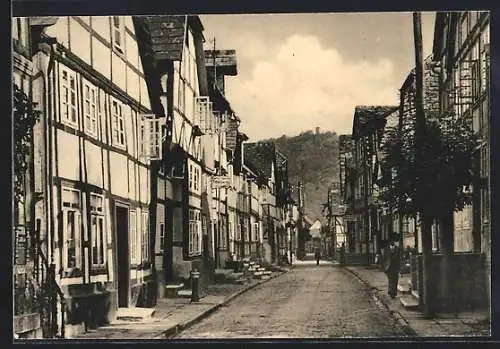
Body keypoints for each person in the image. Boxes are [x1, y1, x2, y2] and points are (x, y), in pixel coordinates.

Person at [383, 234, 402, 299]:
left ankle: (393, 292)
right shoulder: (386, 249)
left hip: (395, 267)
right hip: (389, 267)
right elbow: (384, 259)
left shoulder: (398, 249)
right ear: (389, 242)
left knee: (395, 280)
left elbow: (400, 258)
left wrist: (400, 268)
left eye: (393, 241)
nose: (392, 242)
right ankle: (391, 292)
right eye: (391, 241)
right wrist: (384, 268)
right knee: (390, 280)